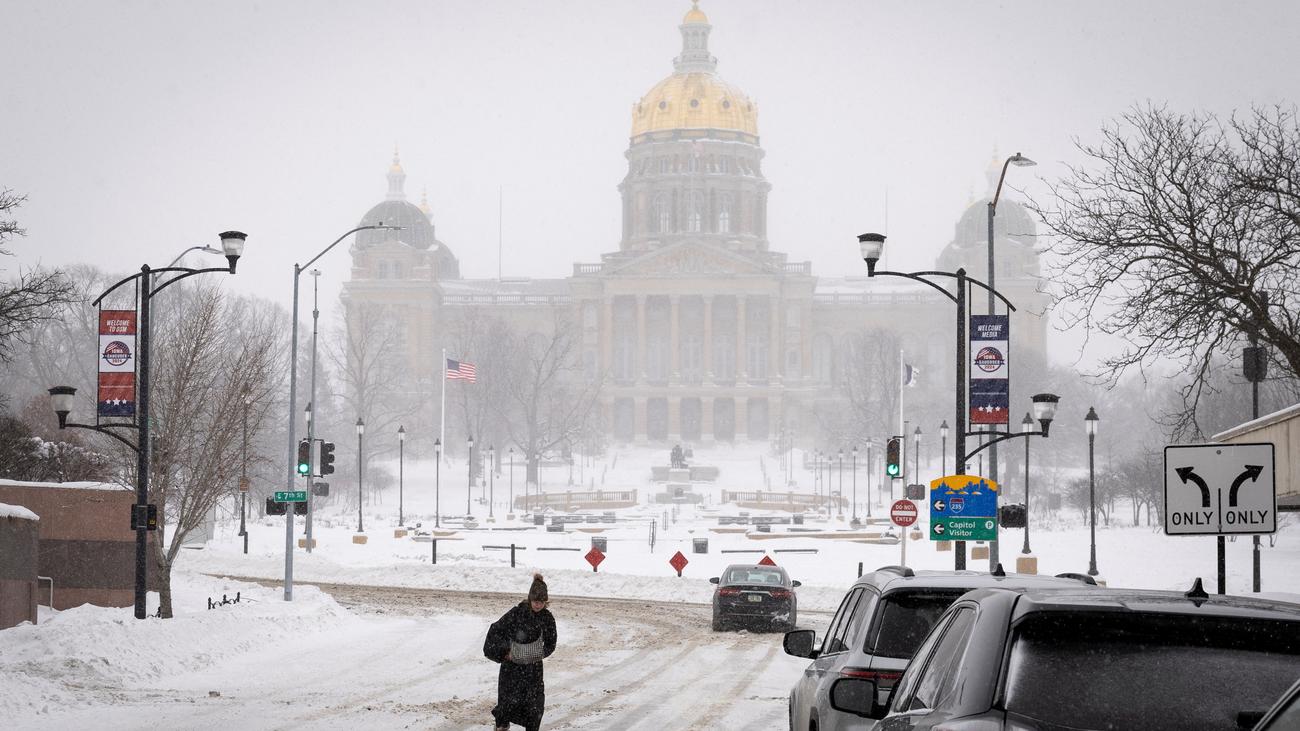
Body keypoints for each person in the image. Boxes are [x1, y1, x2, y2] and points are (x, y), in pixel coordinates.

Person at [484, 573, 557, 731]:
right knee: (507, 705)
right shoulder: (516, 613)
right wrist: (505, 652)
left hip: (533, 671)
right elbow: (495, 631)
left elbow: (551, 643)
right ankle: (501, 726)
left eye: (542, 602)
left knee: (534, 708)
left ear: (546, 602)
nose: (538, 605)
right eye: (535, 601)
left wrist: (539, 653)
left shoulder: (547, 618)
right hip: (512, 669)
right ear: (530, 599)